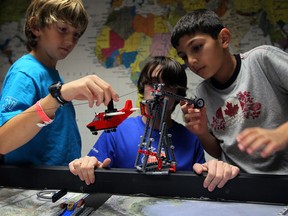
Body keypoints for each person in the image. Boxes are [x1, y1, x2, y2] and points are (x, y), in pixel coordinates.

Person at [69, 56, 239, 192]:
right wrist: (87, 165)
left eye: (168, 85)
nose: (158, 91)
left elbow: (200, 182)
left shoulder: (191, 138)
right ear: (142, 89)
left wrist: (213, 170)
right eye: (152, 83)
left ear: (178, 94)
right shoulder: (116, 131)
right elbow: (95, 166)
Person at [0, 0, 119, 166]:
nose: (70, 41)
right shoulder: (25, 72)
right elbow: (3, 141)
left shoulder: (50, 74)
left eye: (76, 34)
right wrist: (60, 96)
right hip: (32, 188)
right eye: (63, 29)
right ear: (36, 27)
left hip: (55, 184)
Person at [170, 9, 288, 174]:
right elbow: (220, 151)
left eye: (197, 47)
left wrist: (281, 134)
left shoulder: (262, 60)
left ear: (223, 39)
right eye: (183, 56)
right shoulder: (202, 92)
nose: (191, 61)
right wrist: (202, 132)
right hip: (237, 185)